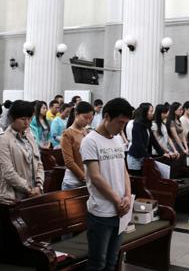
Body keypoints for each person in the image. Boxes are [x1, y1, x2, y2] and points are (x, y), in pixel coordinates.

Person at [80, 98, 133, 271]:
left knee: (112, 260)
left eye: (125, 123)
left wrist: (127, 197)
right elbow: (96, 177)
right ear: (107, 117)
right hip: (101, 212)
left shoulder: (117, 140)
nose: (122, 127)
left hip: (120, 211)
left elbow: (124, 170)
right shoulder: (90, 141)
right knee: (98, 263)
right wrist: (118, 200)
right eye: (120, 122)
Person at [0, 100, 44, 205]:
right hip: (12, 198)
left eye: (29, 119)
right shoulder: (4, 139)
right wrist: (29, 189)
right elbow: (8, 172)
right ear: (12, 118)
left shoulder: (29, 136)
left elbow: (38, 163)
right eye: (23, 119)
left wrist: (39, 186)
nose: (27, 123)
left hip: (34, 195)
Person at [127, 103, 175, 176]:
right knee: (137, 179)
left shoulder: (147, 124)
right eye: (151, 111)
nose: (152, 114)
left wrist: (163, 153)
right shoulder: (137, 124)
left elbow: (153, 141)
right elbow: (138, 144)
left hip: (144, 157)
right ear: (145, 112)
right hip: (136, 157)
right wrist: (148, 157)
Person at [61, 101, 94, 190]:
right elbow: (69, 162)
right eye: (85, 117)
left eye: (90, 119)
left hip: (87, 180)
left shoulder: (85, 131)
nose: (87, 121)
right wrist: (83, 177)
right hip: (73, 183)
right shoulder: (67, 133)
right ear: (76, 114)